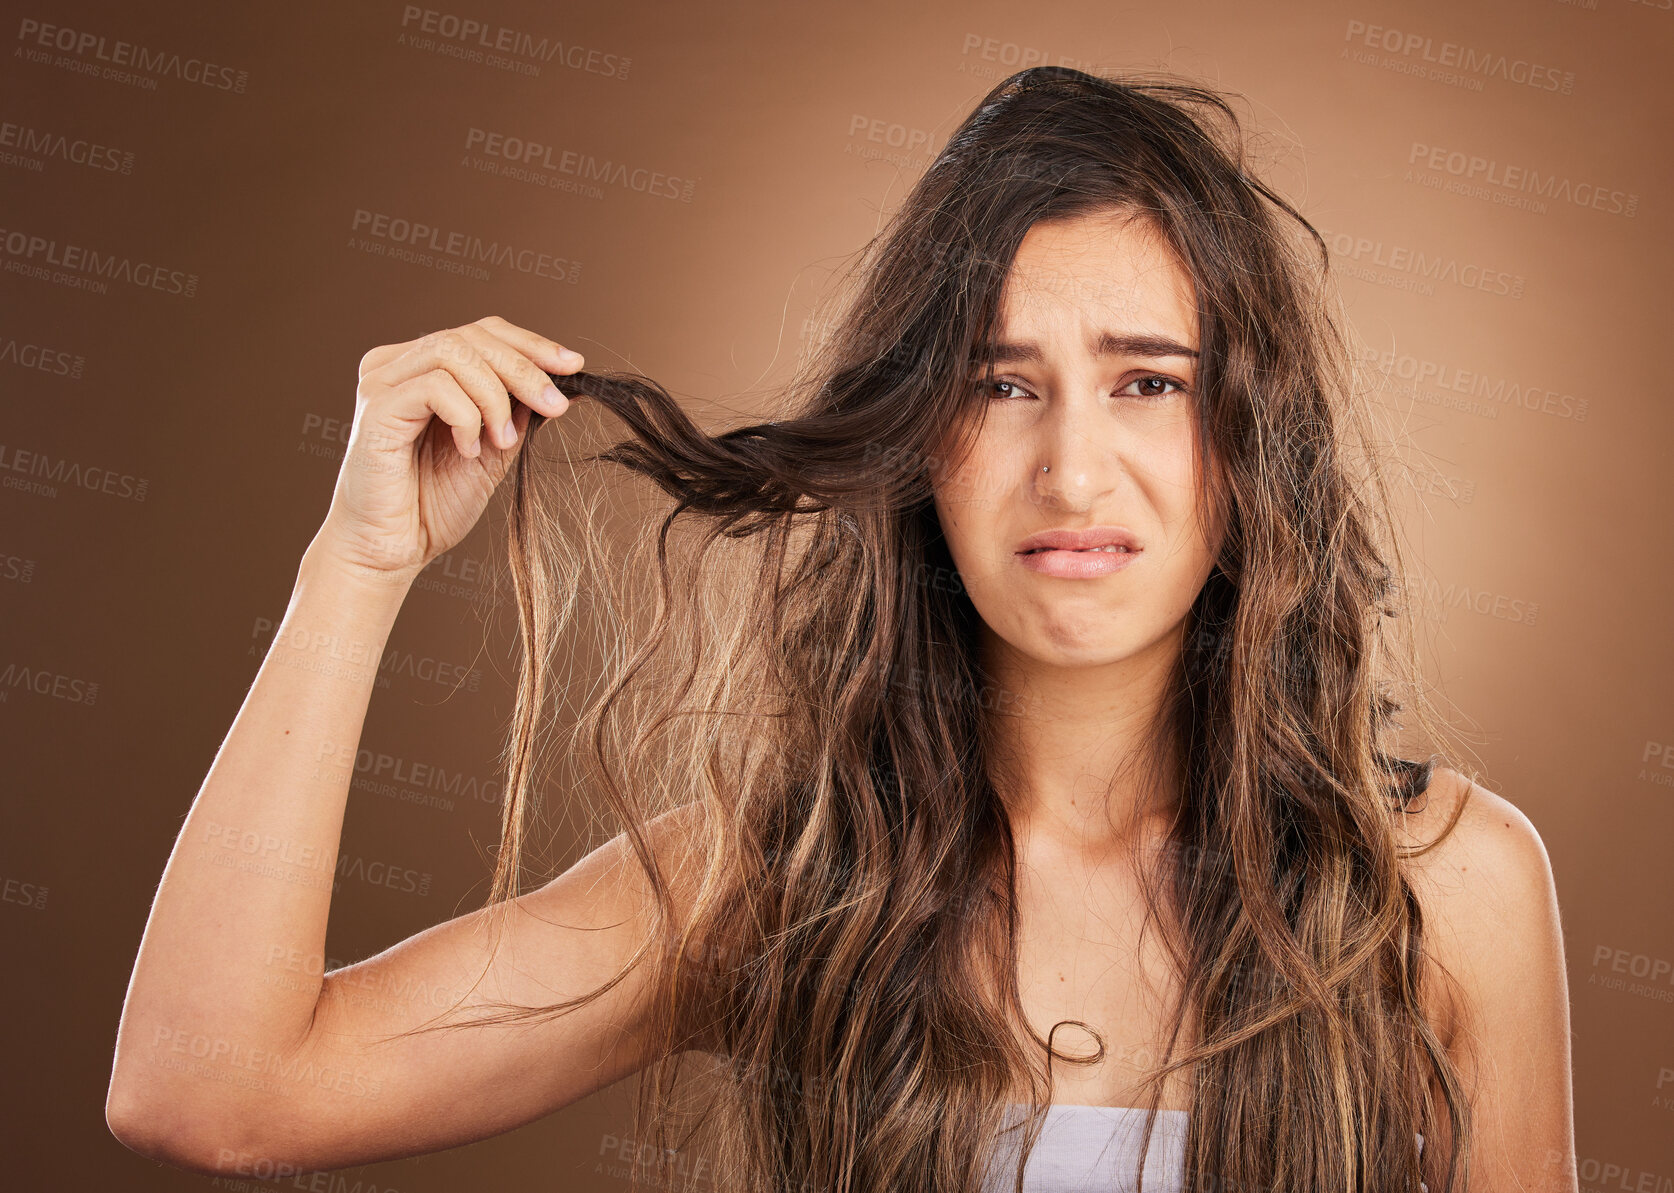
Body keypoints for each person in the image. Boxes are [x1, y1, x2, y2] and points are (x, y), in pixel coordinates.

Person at [105, 67, 1576, 1193]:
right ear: (915, 440)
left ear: (1251, 442)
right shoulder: (780, 875)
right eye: (1001, 385)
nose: (1071, 471)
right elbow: (211, 1089)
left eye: (1147, 383)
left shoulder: (1449, 889)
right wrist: (357, 563)